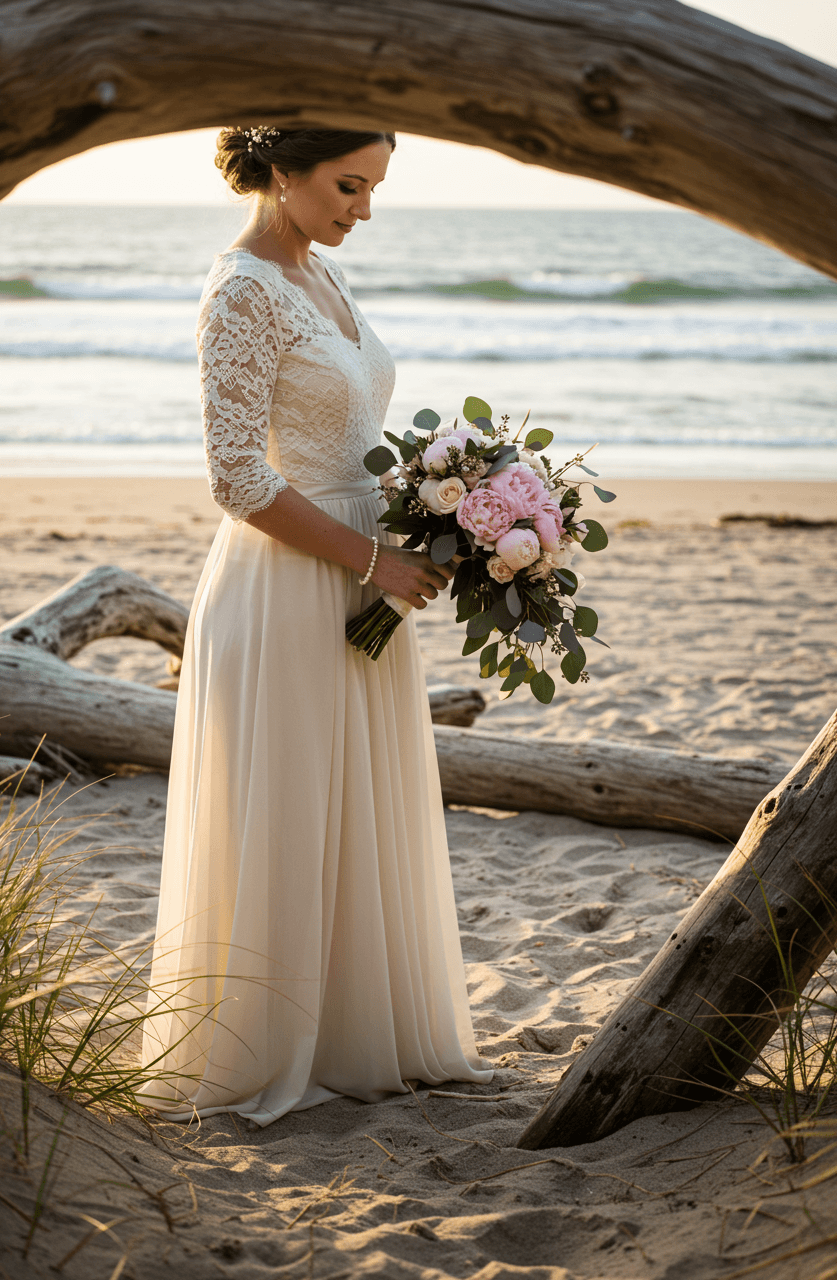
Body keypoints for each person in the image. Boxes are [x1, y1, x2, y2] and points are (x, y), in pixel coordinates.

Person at [138, 126, 492, 1126]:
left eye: (374, 187)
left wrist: (447, 504)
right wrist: (374, 558)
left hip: (370, 574)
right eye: (348, 185)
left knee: (355, 800)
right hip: (292, 580)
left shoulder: (322, 275)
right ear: (282, 169)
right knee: (292, 797)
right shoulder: (242, 290)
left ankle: (356, 1031)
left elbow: (351, 434)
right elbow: (237, 476)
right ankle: (270, 1043)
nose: (362, 209)